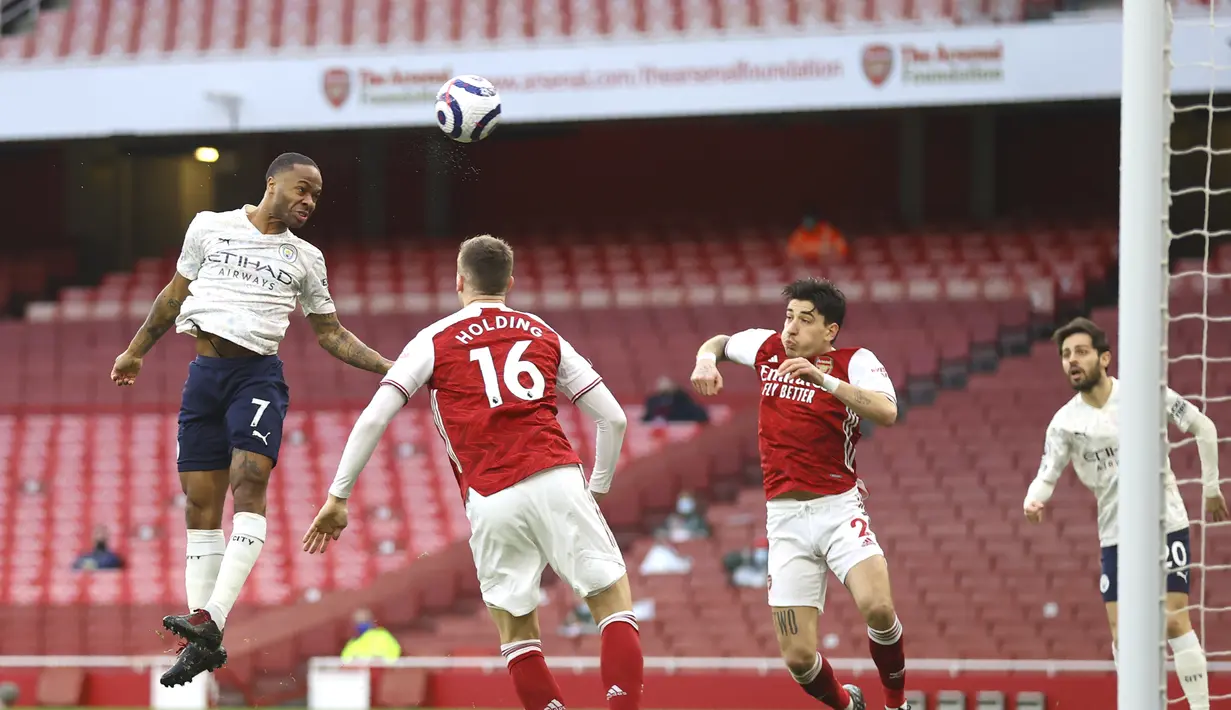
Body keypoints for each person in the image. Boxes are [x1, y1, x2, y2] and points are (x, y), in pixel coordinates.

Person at [302, 235, 644, 710]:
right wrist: (598, 488)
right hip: (556, 475)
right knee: (611, 605)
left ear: (459, 281)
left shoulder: (434, 338)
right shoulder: (541, 330)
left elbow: (375, 417)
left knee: (518, 633)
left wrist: (338, 496)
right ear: (510, 282)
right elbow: (614, 419)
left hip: (489, 496)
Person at [109, 152, 394, 688]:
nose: (309, 201)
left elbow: (329, 333)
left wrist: (387, 366)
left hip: (256, 378)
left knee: (249, 482)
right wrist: (135, 351)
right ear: (272, 183)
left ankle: (212, 616)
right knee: (199, 502)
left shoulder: (306, 258)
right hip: (203, 377)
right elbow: (174, 297)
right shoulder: (208, 227)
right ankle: (202, 632)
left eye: (316, 195)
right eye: (302, 189)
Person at [690, 277, 907, 710]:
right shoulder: (766, 348)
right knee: (799, 661)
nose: (790, 328)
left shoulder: (855, 361)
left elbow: (887, 411)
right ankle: (849, 705)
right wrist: (704, 361)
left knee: (879, 609)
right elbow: (720, 341)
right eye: (789, 316)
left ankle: (896, 704)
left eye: (805, 320)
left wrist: (821, 379)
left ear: (830, 331)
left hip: (838, 508)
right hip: (785, 521)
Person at [1024, 317, 1226, 710]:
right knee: (1122, 634)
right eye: (1066, 355)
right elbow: (1045, 475)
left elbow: (1203, 426)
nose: (1072, 361)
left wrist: (1211, 485)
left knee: (1172, 618)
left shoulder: (1145, 395)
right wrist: (1033, 500)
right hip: (1115, 533)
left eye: (1080, 352)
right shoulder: (1064, 423)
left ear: (1105, 358)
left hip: (1164, 520)